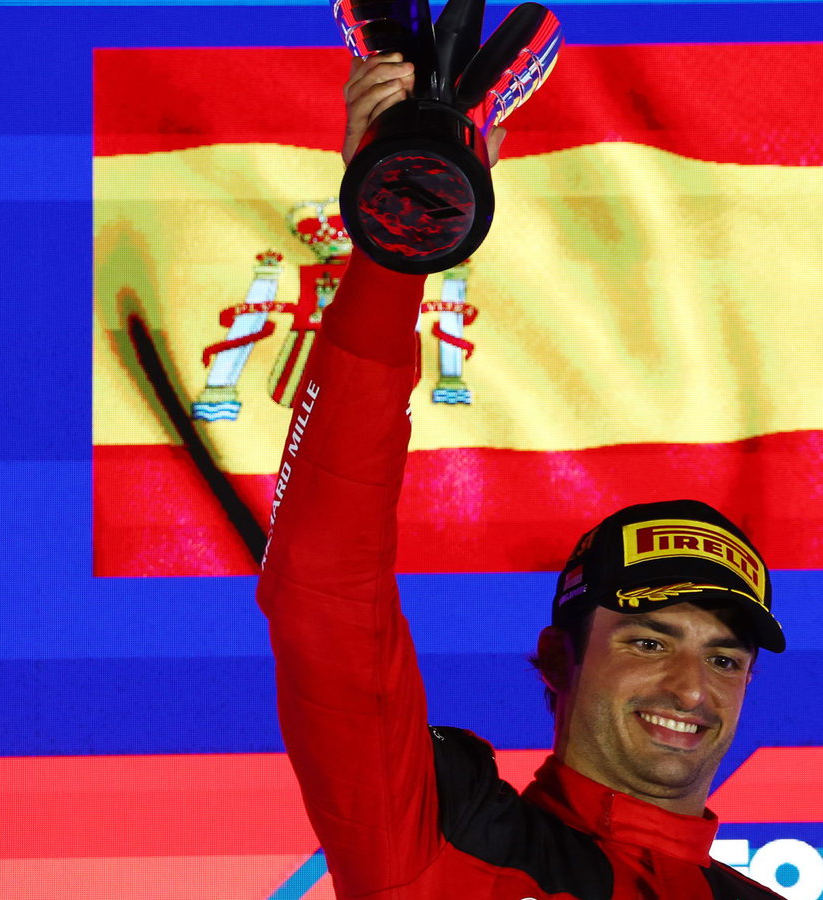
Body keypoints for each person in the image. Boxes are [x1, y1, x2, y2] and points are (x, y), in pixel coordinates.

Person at [256, 51, 787, 900]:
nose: (691, 688)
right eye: (648, 642)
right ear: (557, 661)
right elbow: (322, 585)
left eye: (725, 658)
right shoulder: (443, 835)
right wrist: (397, 247)